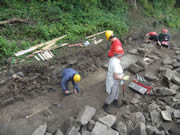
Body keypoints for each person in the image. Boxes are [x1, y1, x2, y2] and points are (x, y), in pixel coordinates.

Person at [103, 46, 129, 113]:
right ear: (119, 54)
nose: (122, 54)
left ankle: (115, 100)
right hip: (113, 81)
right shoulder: (115, 64)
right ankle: (106, 104)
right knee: (113, 93)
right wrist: (123, 78)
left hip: (114, 80)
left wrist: (121, 75)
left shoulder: (113, 58)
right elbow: (115, 76)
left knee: (117, 91)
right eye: (121, 53)